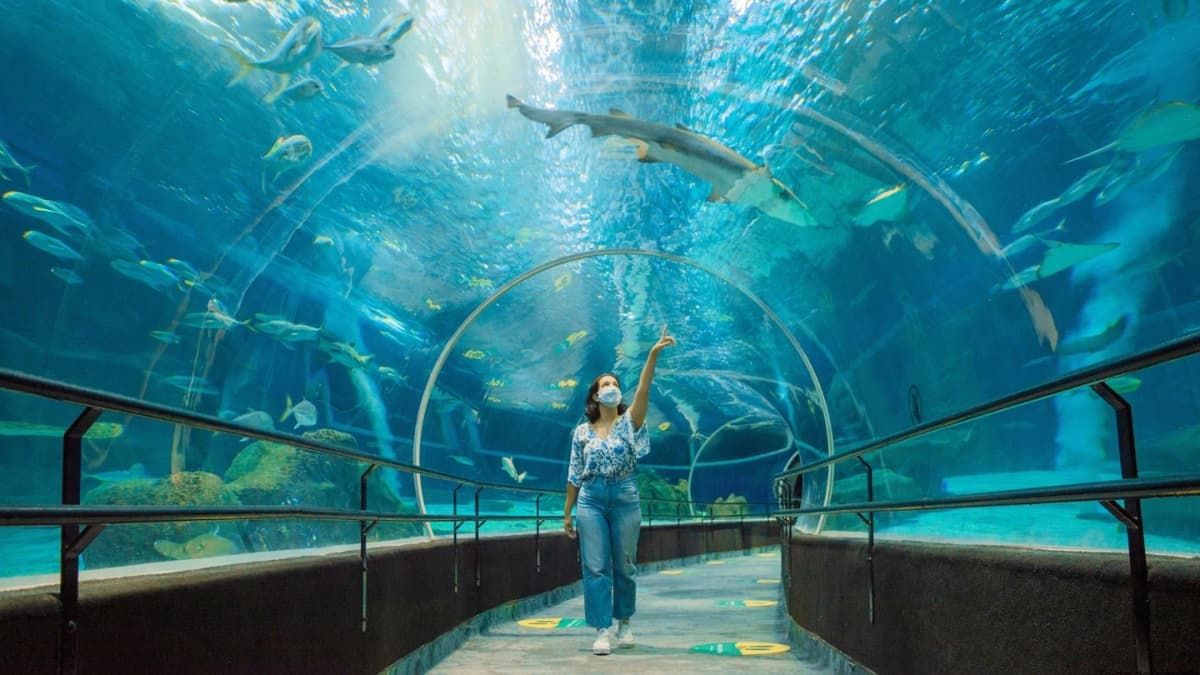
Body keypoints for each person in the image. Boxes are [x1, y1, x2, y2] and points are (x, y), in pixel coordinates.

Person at [563, 325, 676, 655]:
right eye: (605, 384)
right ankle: (602, 629)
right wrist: (567, 511)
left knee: (624, 563)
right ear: (595, 396)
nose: (611, 387)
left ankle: (624, 619)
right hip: (591, 499)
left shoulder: (630, 423)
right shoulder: (581, 433)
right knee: (595, 564)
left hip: (626, 496)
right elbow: (573, 474)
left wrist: (652, 355)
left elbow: (644, 388)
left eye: (614, 383)